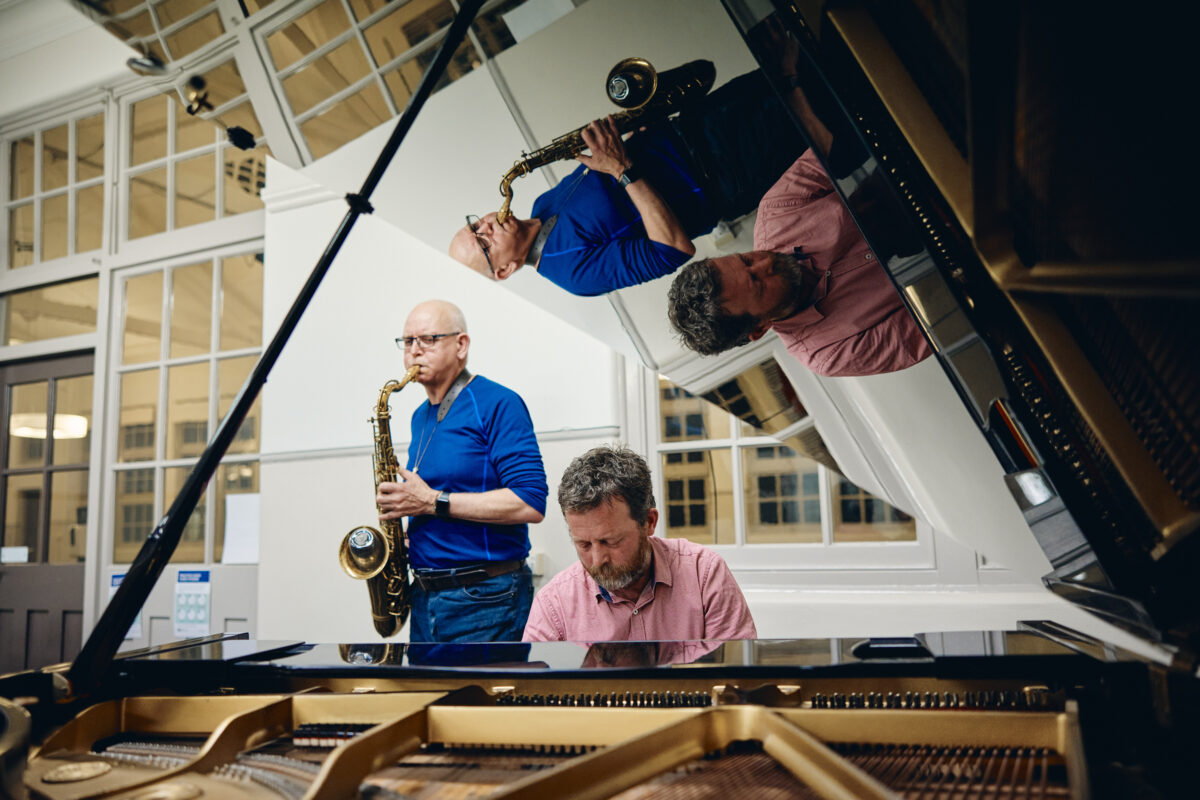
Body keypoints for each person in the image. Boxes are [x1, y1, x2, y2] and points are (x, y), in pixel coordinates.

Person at [665, 43, 933, 377]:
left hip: (922, 169)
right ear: (760, 328)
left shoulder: (775, 214)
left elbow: (832, 146)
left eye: (745, 259)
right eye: (757, 282)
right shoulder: (828, 353)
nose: (766, 260)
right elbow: (942, 322)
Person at [449, 67, 806, 297]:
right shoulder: (575, 275)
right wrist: (623, 168)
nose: (486, 225)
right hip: (730, 171)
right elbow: (673, 250)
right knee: (827, 102)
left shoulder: (541, 205)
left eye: (474, 225)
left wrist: (629, 134)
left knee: (798, 65)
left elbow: (616, 173)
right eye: (483, 242)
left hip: (698, 125)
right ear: (505, 270)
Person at [376, 300, 548, 642]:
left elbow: (530, 502)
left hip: (486, 598)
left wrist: (431, 503)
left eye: (427, 339)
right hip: (425, 597)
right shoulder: (419, 416)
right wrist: (411, 535)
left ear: (461, 345)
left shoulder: (499, 403)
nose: (414, 352)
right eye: (407, 342)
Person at [523, 446, 756, 659]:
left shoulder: (704, 573)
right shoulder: (554, 604)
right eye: (583, 545)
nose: (597, 560)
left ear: (649, 522)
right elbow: (534, 695)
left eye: (611, 541)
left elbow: (738, 679)